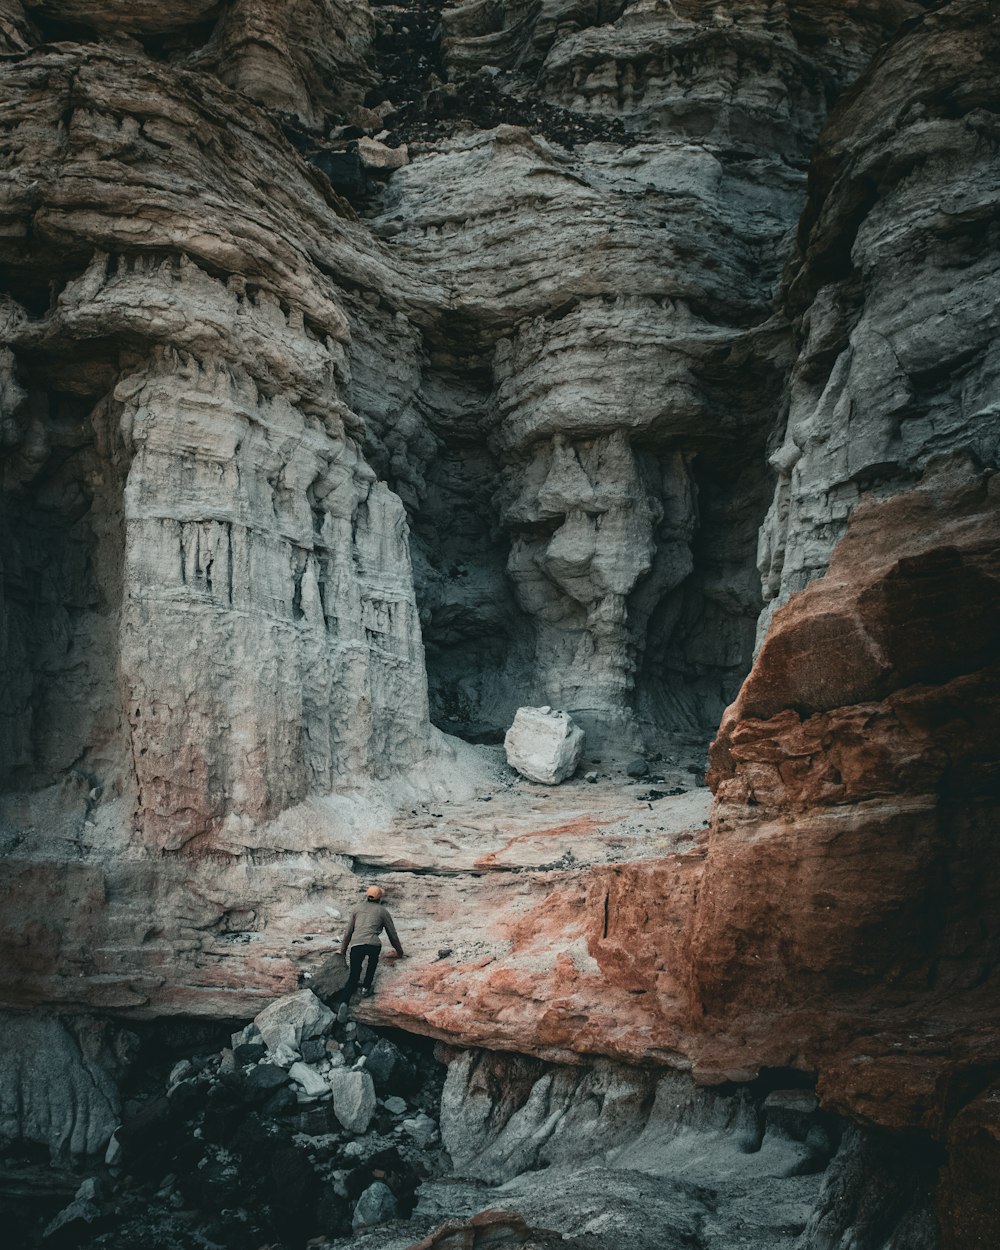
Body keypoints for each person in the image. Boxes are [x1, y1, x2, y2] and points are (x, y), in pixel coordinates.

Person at [336, 885, 404, 1021]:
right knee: (372, 963)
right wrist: (400, 952)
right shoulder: (383, 911)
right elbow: (392, 934)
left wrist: (343, 950)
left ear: (367, 896)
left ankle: (344, 1002)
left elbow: (348, 932)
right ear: (380, 899)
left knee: (354, 975)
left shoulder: (357, 909)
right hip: (373, 944)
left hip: (356, 944)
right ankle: (366, 988)